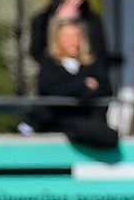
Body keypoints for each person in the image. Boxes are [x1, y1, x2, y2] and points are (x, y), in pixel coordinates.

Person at [22, 19, 117, 148]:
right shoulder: (49, 64)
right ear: (57, 39)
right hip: (57, 123)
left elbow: (105, 89)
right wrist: (84, 86)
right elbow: (53, 91)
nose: (74, 42)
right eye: (68, 37)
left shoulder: (92, 64)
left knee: (108, 136)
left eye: (77, 36)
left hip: (89, 122)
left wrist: (73, 89)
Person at [30, 0, 109, 66]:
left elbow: (100, 56)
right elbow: (37, 53)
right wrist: (58, 21)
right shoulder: (42, 20)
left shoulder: (93, 20)